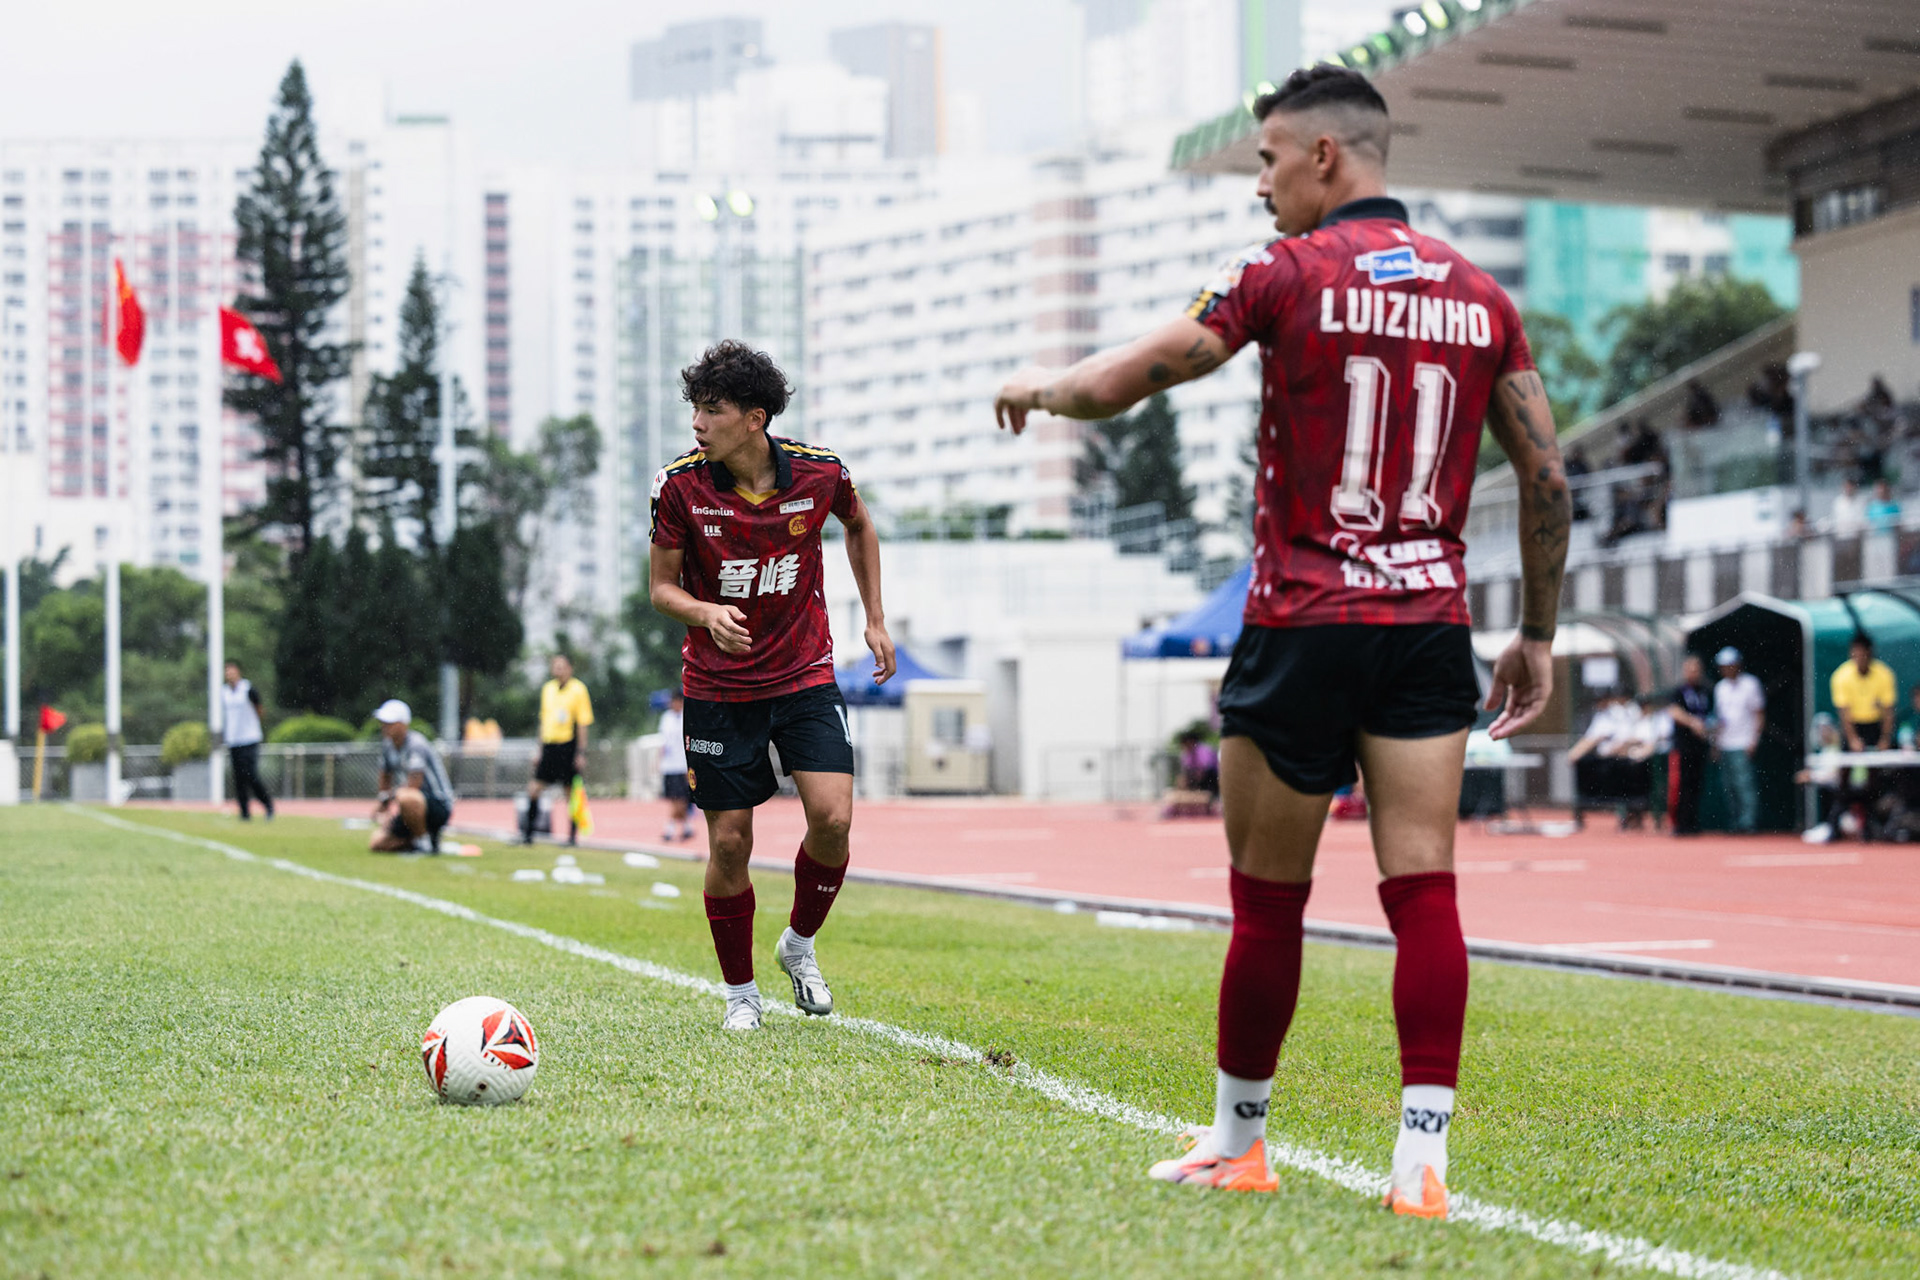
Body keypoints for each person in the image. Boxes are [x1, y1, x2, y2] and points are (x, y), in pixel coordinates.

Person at [992, 64, 1566, 1220]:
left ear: (1324, 157)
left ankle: (1241, 1140)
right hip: (1424, 626)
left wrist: (1047, 390)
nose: (1259, 187)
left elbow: (1148, 370)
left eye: (1266, 161)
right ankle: (1422, 1162)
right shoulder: (1483, 298)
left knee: (1267, 901)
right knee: (1426, 890)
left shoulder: (1283, 271)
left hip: (1302, 618)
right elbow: (1547, 473)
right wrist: (1538, 632)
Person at [649, 340, 896, 1032]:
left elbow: (860, 525)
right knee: (729, 843)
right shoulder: (680, 487)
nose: (698, 422)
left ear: (754, 418)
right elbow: (661, 588)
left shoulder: (820, 474)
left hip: (804, 672)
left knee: (835, 819)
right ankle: (740, 995)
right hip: (718, 688)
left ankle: (799, 944)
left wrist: (875, 618)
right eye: (694, 407)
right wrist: (704, 613)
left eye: (713, 408)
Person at [520, 653, 593, 846]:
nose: (558, 670)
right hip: (549, 746)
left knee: (570, 792)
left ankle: (572, 837)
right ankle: (528, 834)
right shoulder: (548, 689)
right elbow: (543, 721)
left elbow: (583, 723)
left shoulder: (578, 689)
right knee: (534, 789)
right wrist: (539, 749)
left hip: (567, 746)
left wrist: (580, 752)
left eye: (562, 666)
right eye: (555, 666)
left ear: (570, 668)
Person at [368, 699, 455, 853]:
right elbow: (385, 775)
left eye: (390, 722)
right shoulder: (388, 746)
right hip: (409, 805)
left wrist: (389, 799)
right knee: (377, 843)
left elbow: (414, 785)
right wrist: (382, 804)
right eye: (383, 722)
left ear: (403, 724)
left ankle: (424, 843)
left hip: (435, 803)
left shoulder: (416, 745)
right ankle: (422, 841)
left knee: (406, 796)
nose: (384, 726)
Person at [1712, 647, 1765, 833]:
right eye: (1723, 666)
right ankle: (1735, 824)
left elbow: (1759, 714)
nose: (1726, 669)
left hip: (1743, 743)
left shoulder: (1751, 684)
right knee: (1729, 787)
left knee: (1745, 786)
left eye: (1730, 665)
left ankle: (1748, 823)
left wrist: (1753, 740)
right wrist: (1716, 743)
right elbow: (1719, 719)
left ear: (1738, 665)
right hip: (1725, 743)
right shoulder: (1720, 688)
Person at [219, 659, 274, 820]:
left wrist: (253, 725)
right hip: (233, 740)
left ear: (238, 671)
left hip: (249, 739)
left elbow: (259, 709)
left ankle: (267, 804)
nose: (229, 674)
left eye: (231, 670)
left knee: (251, 774)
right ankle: (244, 813)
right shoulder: (225, 693)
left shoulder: (248, 689)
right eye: (226, 671)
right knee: (239, 778)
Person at [1666, 655, 1714, 836]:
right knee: (1681, 785)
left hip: (1699, 746)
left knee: (1697, 784)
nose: (1693, 673)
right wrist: (1693, 722)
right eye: (1689, 669)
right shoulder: (1678, 691)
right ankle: (1679, 824)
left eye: (1696, 669)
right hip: (1683, 746)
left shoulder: (1705, 691)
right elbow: (1674, 711)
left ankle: (1692, 823)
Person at [1831, 632, 1896, 752]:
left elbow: (1888, 711)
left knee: (1879, 766)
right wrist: (1852, 739)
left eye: (1862, 653)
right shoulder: (1841, 676)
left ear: (1869, 653)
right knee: (1845, 767)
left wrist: (1885, 738)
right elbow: (1844, 712)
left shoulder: (1885, 674)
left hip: (1876, 725)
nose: (1859, 657)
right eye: (1855, 653)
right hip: (1852, 725)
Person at [657, 689, 693, 843]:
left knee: (682, 800)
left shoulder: (687, 717)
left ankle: (670, 828)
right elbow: (663, 742)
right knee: (673, 799)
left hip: (682, 765)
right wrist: (658, 761)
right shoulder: (666, 718)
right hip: (669, 765)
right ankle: (685, 827)